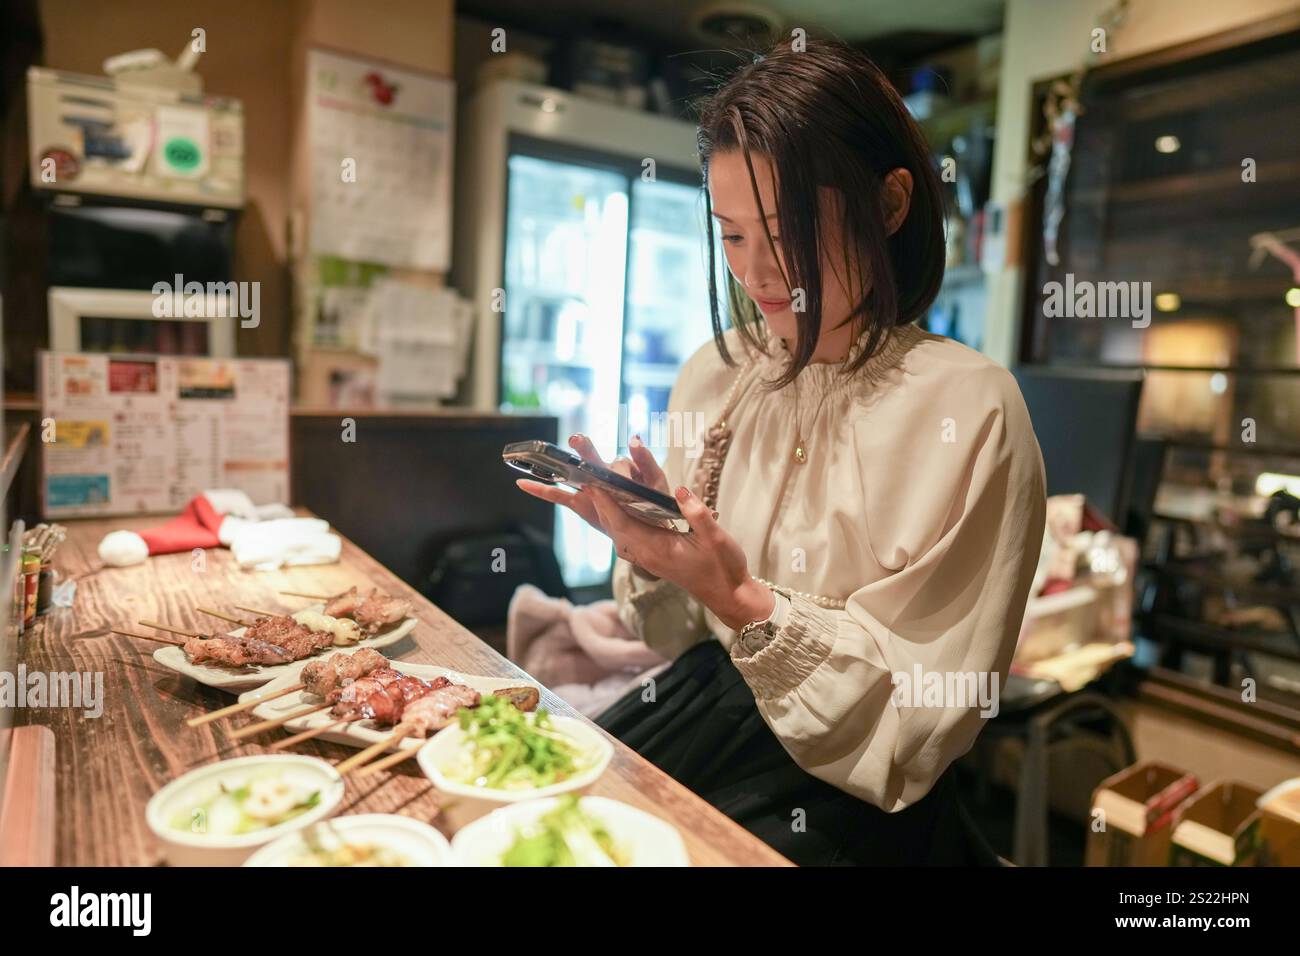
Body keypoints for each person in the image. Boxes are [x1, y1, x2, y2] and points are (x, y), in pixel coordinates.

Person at [516, 36, 1046, 865]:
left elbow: (920, 723)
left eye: (786, 231)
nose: (760, 274)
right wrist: (655, 556)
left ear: (892, 203)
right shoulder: (714, 373)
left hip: (854, 807)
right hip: (705, 723)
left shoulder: (969, 407)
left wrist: (745, 602)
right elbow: (672, 637)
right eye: (730, 237)